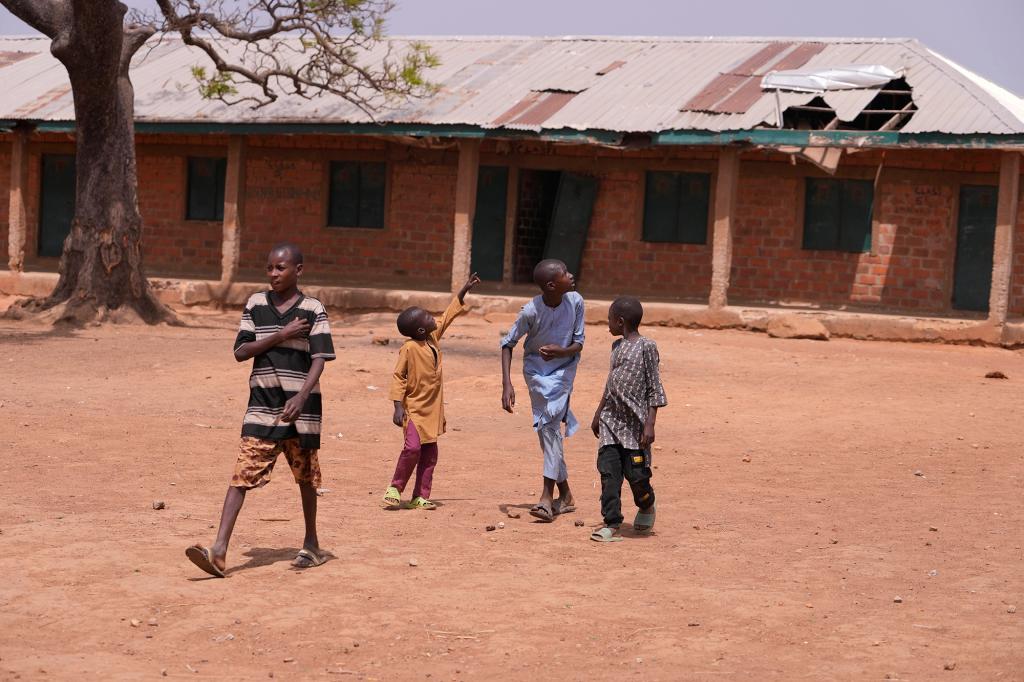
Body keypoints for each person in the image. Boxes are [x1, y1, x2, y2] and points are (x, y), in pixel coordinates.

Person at [186, 242, 335, 577]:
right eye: (269, 268)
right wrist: (281, 334)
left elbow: (320, 358)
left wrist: (301, 396)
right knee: (242, 473)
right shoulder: (256, 304)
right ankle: (220, 551)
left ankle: (311, 543)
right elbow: (241, 351)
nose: (273, 274)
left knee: (306, 477)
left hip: (301, 411)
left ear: (298, 270)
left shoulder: (313, 309)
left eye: (280, 268)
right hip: (262, 408)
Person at [383, 273, 481, 510]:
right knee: (412, 448)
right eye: (427, 317)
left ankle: (420, 496)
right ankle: (395, 487)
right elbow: (398, 376)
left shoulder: (432, 339)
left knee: (430, 454)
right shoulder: (409, 348)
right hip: (414, 410)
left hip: (433, 410)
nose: (432, 319)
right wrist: (397, 406)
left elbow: (447, 316)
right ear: (418, 329)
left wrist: (463, 290)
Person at [500, 259, 584, 522]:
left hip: (564, 373)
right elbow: (508, 343)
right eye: (564, 274)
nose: (571, 276)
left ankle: (547, 497)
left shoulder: (576, 301)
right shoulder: (530, 312)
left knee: (548, 427)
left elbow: (579, 343)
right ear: (551, 285)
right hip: (536, 374)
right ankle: (566, 495)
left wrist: (562, 351)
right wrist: (507, 384)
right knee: (549, 431)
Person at [589, 296, 667, 542]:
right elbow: (610, 382)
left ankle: (646, 506)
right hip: (611, 423)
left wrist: (650, 424)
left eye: (609, 320)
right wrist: (598, 412)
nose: (608, 325)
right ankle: (612, 523)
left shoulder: (647, 347)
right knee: (609, 474)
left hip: (636, 428)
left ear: (620, 322)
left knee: (638, 478)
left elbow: (655, 387)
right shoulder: (616, 347)